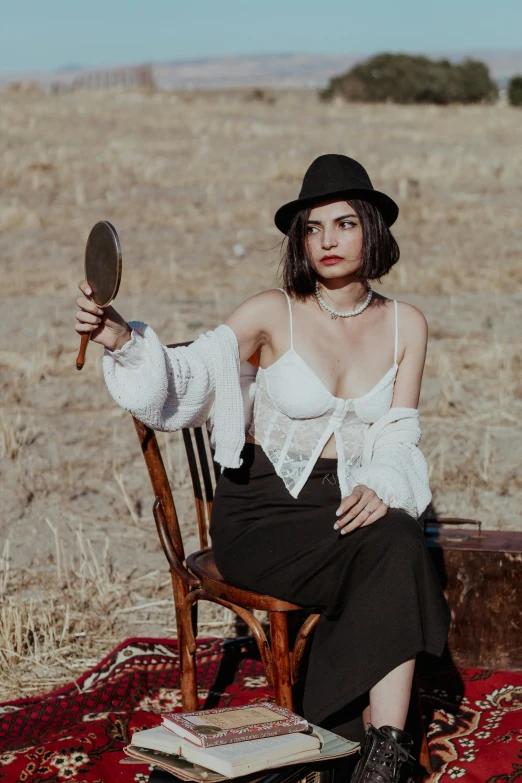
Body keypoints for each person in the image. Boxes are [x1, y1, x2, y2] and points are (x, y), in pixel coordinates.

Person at [74, 154, 451, 783]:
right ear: (300, 239)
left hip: (346, 501)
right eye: (313, 228)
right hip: (262, 509)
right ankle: (355, 736)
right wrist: (122, 339)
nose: (327, 241)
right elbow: (192, 375)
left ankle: (382, 753)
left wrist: (383, 485)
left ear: (373, 231)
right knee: (394, 551)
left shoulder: (406, 323)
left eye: (345, 224)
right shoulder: (272, 311)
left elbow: (398, 434)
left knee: (400, 537)